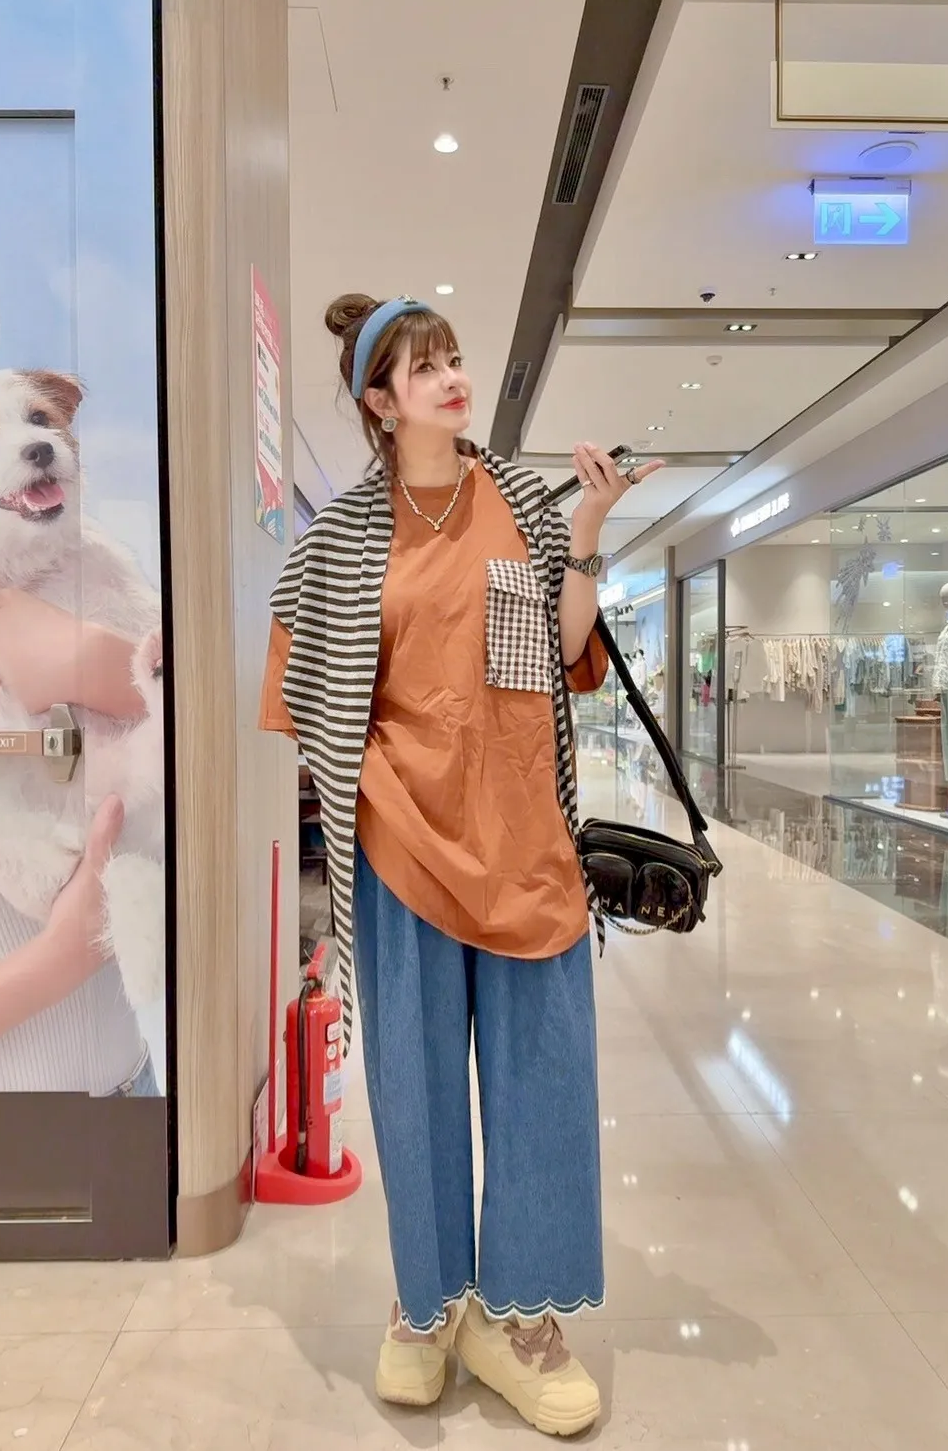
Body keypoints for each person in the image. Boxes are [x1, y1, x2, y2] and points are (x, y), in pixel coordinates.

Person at [261, 294, 662, 1436]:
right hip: (402, 847)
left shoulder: (523, 503)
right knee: (415, 1087)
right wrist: (368, 774)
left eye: (453, 357)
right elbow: (300, 684)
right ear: (380, 402)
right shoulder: (342, 536)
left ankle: (522, 1318)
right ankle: (427, 1306)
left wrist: (589, 523)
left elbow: (569, 650)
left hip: (524, 840)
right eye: (423, 366)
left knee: (545, 1084)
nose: (451, 376)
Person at [0, 189, 153, 1095]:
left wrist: (83, 661)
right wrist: (56, 960)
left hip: (123, 1099)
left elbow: (208, 724)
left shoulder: (62, 555)